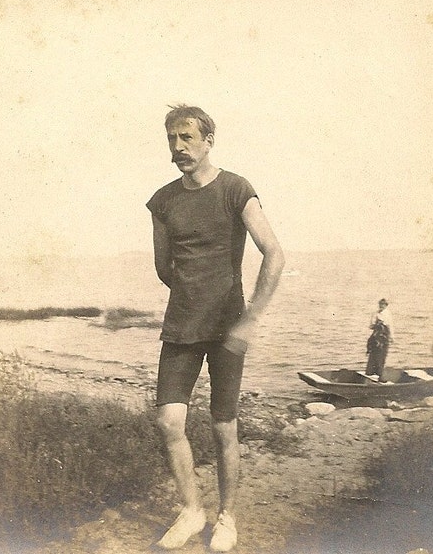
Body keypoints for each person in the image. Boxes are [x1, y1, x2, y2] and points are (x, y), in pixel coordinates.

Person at [146, 105, 285, 552]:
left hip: (230, 329)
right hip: (181, 326)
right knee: (169, 421)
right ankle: (191, 510)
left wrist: (249, 319)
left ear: (208, 140)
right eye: (172, 138)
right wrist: (194, 296)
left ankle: (226, 517)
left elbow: (275, 254)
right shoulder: (162, 201)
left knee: (224, 426)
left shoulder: (235, 189)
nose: (178, 147)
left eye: (187, 137)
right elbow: (164, 268)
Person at [365, 298, 393, 380]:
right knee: (373, 354)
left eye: (383, 305)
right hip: (376, 336)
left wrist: (392, 337)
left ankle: (380, 373)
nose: (381, 306)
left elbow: (390, 326)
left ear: (386, 305)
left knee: (381, 355)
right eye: (380, 304)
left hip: (384, 337)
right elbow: (371, 325)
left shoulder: (388, 314)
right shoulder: (375, 313)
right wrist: (377, 324)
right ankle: (370, 372)